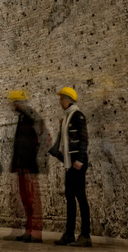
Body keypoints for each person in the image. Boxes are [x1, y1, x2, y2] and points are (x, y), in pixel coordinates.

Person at [48, 87, 91, 247]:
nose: (60, 102)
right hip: (70, 164)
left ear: (69, 100)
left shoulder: (77, 116)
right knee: (70, 198)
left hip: (77, 163)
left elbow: (83, 139)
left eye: (62, 99)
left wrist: (79, 160)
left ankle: (85, 235)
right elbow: (66, 144)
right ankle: (69, 234)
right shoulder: (67, 117)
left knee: (80, 197)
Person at [8, 90, 45, 243]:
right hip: (22, 166)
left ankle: (35, 233)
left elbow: (37, 141)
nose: (14, 105)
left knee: (32, 200)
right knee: (26, 200)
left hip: (28, 166)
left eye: (16, 102)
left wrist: (28, 162)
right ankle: (28, 230)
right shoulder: (23, 119)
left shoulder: (31, 118)